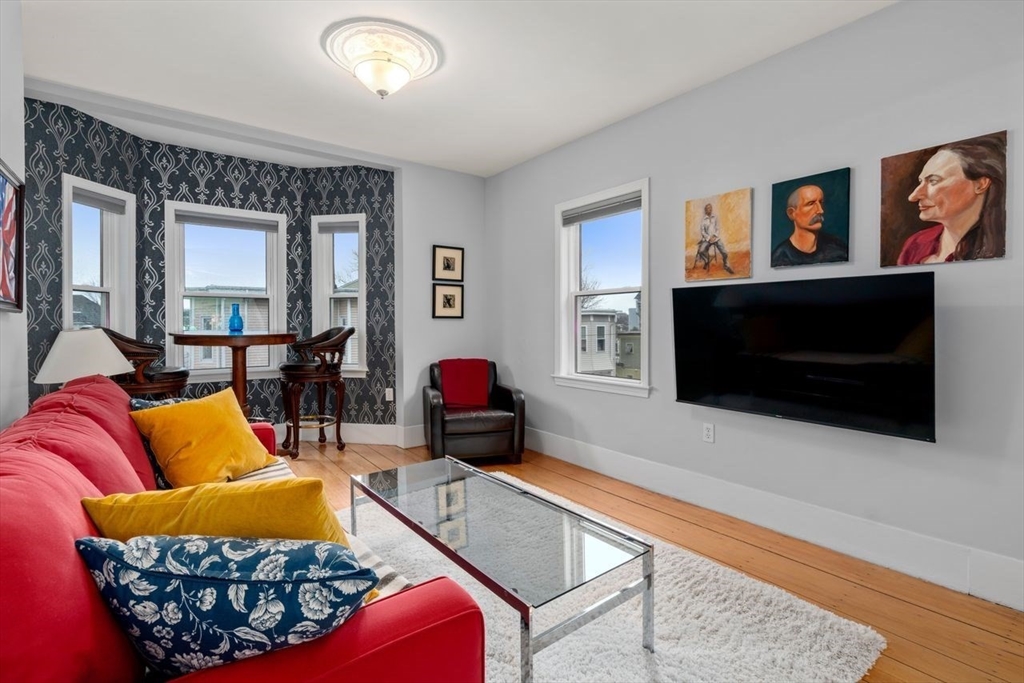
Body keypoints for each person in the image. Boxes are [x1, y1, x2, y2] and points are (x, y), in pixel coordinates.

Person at [898, 134, 1006, 265]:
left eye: (933, 181)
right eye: (921, 182)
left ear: (980, 184)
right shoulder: (916, 244)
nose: (913, 196)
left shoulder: (1002, 245)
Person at [771, 184, 848, 267]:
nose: (820, 210)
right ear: (792, 213)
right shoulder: (780, 258)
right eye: (810, 204)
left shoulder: (838, 248)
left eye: (820, 202)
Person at [694, 203, 733, 274]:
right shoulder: (703, 220)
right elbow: (703, 232)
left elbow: (717, 228)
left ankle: (726, 266)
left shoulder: (715, 218)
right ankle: (707, 260)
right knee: (701, 251)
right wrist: (709, 238)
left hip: (716, 238)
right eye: (708, 208)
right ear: (705, 210)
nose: (710, 209)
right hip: (707, 239)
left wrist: (714, 236)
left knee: (724, 252)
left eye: (710, 208)